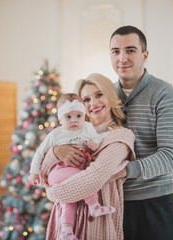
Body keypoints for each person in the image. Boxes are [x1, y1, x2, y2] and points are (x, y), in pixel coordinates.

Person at [109, 25, 173, 239]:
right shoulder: (104, 97)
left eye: (130, 50)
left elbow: (169, 158)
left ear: (145, 55)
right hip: (112, 205)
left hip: (154, 207)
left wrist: (125, 170)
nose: (122, 58)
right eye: (116, 51)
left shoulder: (165, 94)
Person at [39, 73, 136, 240]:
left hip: (98, 226)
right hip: (65, 225)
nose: (93, 103)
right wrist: (55, 153)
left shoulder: (120, 136)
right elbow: (44, 173)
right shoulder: (65, 134)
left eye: (99, 95)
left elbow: (93, 178)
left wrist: (52, 193)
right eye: (86, 100)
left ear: (110, 97)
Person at [28, 93, 116, 240]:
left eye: (78, 116)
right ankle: (94, 205)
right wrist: (34, 173)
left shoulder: (87, 128)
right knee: (82, 179)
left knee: (69, 202)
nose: (74, 120)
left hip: (74, 170)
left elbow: (97, 138)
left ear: (84, 116)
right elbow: (39, 153)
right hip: (58, 172)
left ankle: (66, 231)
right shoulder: (56, 133)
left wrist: (95, 143)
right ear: (60, 119)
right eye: (68, 117)